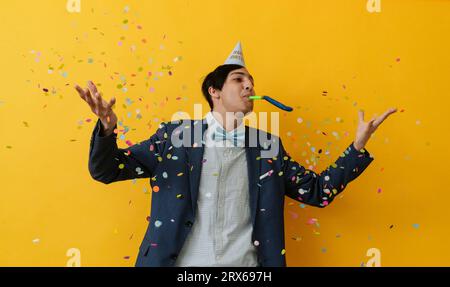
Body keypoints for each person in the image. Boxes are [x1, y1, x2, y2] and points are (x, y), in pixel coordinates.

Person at [74, 41, 397, 267]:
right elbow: (108, 170)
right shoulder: (175, 137)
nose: (248, 87)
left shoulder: (267, 146)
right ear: (213, 91)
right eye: (238, 79)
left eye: (251, 82)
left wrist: (357, 147)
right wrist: (107, 128)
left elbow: (317, 192)